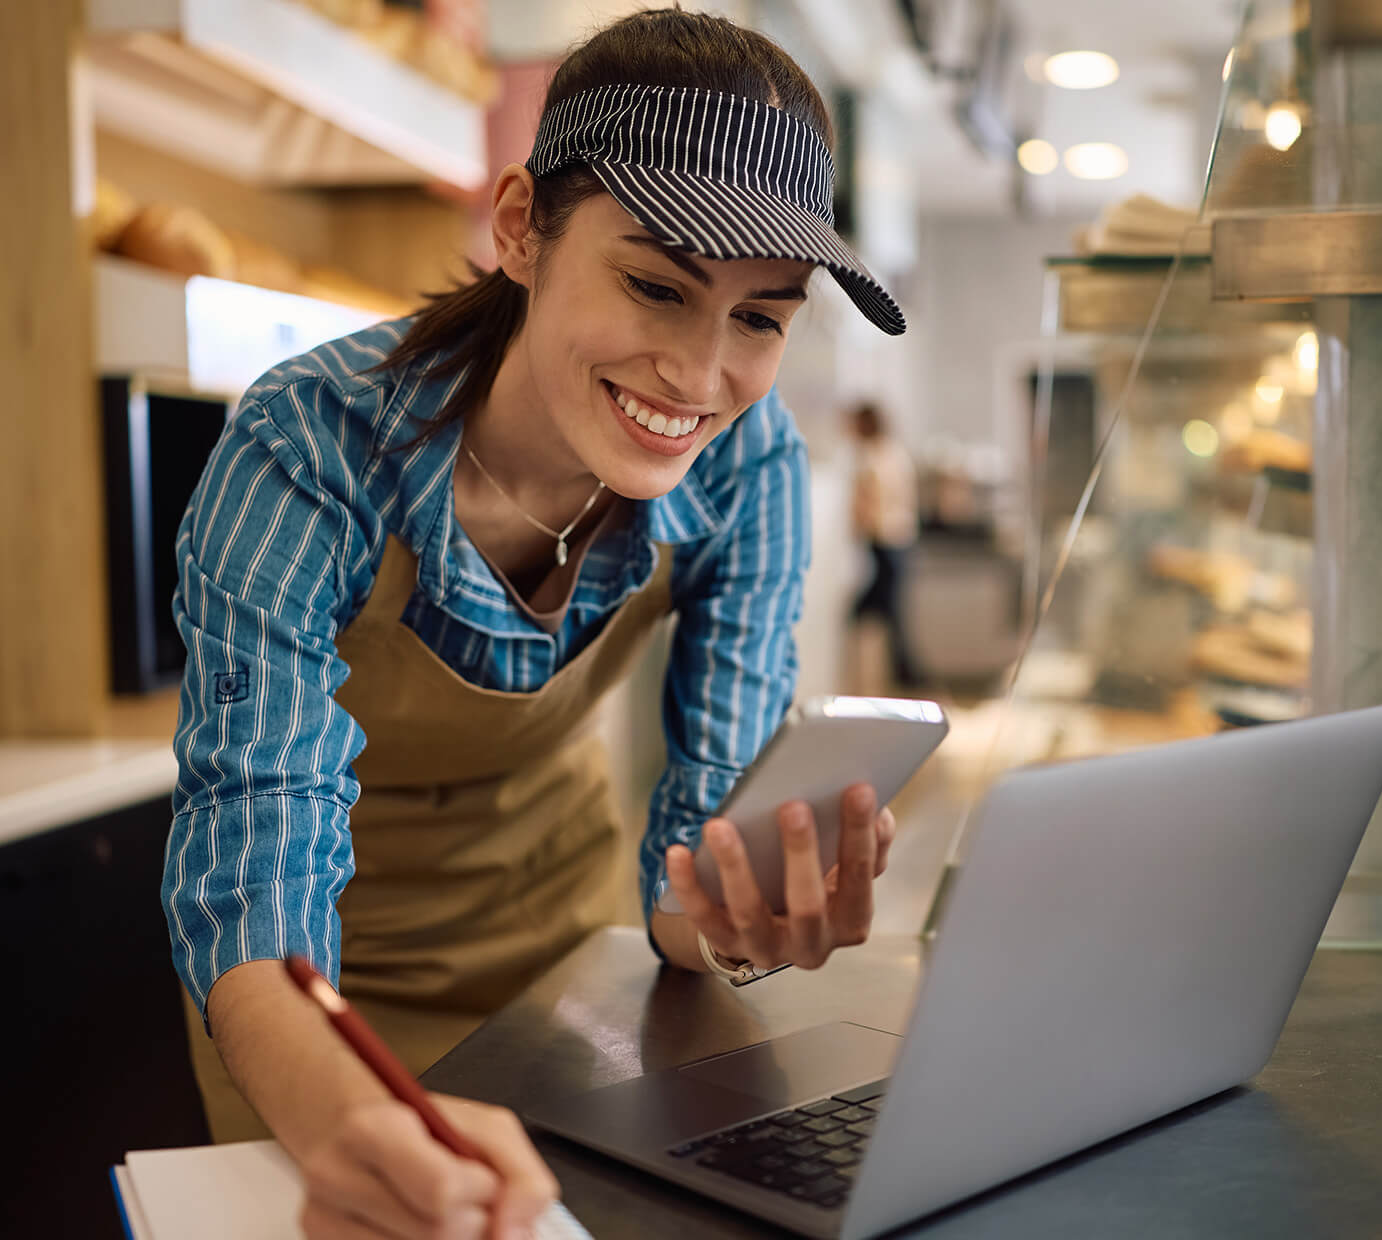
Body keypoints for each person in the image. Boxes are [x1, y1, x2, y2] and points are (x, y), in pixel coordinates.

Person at [160, 9, 907, 1238]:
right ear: (521, 227)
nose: (699, 374)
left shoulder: (747, 466)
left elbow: (692, 855)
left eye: (762, 317)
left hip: (568, 958)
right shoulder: (313, 448)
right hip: (310, 993)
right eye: (655, 285)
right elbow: (251, 871)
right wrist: (353, 1116)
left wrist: (735, 912)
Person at [847, 401, 920, 686]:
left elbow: (865, 508)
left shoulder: (869, 458)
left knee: (878, 614)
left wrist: (859, 525)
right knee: (892, 614)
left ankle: (904, 677)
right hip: (902, 539)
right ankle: (904, 676)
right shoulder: (895, 453)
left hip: (883, 541)